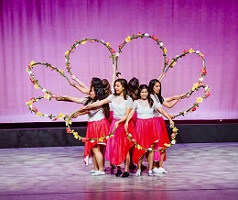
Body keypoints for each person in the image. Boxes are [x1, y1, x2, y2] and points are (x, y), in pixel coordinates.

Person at [81, 78, 133, 178]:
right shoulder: (112, 96)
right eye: (115, 86)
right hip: (114, 124)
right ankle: (118, 168)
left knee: (125, 147)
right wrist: (88, 106)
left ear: (123, 87)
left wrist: (120, 122)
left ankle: (126, 169)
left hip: (123, 124)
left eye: (118, 86)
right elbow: (101, 102)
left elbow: (127, 115)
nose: (116, 88)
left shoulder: (128, 99)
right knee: (115, 147)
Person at [57, 78, 110, 176]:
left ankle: (101, 169)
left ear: (96, 92)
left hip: (98, 125)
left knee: (96, 148)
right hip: (93, 125)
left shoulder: (98, 102)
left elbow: (87, 110)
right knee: (93, 148)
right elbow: (77, 100)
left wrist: (75, 114)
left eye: (91, 90)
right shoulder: (90, 99)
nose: (90, 92)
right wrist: (65, 97)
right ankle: (96, 168)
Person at [125, 84, 174, 176]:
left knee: (151, 148)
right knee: (140, 148)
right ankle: (139, 168)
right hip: (140, 126)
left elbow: (161, 111)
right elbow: (131, 113)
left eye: (146, 92)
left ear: (148, 93)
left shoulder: (152, 101)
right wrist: (127, 121)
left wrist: (170, 119)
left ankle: (150, 169)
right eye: (142, 92)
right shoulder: (135, 102)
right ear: (139, 93)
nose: (144, 94)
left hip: (151, 126)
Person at [148, 79, 184, 174]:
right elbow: (161, 111)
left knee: (163, 144)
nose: (158, 88)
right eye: (156, 86)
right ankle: (154, 166)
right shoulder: (151, 97)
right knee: (157, 144)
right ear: (152, 87)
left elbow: (169, 104)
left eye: (159, 86)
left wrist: (178, 98)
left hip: (160, 121)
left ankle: (159, 166)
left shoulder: (158, 97)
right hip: (154, 122)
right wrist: (169, 118)